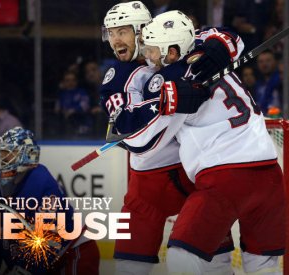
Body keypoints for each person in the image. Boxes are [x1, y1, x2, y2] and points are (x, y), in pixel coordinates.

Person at [122, 11, 285, 274]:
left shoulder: (169, 79)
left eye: (153, 50)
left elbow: (143, 143)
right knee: (263, 267)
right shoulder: (206, 55)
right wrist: (219, 50)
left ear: (172, 51)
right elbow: (231, 38)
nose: (149, 57)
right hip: (269, 176)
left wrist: (133, 125)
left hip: (225, 179)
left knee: (181, 258)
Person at [100, 2, 237, 274]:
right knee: (129, 265)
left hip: (192, 172)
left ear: (142, 32)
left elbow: (226, 37)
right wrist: (170, 101)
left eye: (123, 31)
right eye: (111, 33)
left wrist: (215, 52)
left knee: (214, 261)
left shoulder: (175, 45)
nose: (115, 40)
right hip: (147, 185)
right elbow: (131, 134)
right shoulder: (116, 78)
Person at [0, 127, 100, 274]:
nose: (4, 157)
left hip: (71, 253)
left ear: (29, 155)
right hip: (30, 258)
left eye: (11, 152)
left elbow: (47, 247)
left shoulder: (43, 184)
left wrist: (23, 271)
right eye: (2, 152)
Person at [55, 71, 92, 138]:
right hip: (65, 123)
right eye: (67, 80)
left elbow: (85, 106)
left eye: (73, 80)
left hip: (80, 120)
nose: (70, 82)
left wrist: (73, 110)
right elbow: (57, 109)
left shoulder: (81, 92)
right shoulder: (61, 94)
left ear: (76, 81)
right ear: (63, 82)